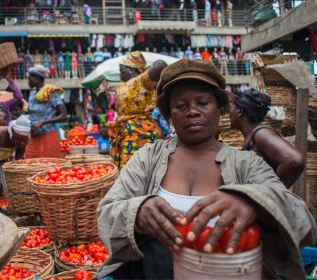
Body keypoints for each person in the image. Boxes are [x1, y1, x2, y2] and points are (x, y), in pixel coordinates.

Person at [97, 58, 316, 279]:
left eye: (202, 103)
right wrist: (137, 212)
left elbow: (302, 220)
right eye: (181, 106)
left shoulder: (246, 163)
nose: (192, 112)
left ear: (220, 108)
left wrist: (254, 202)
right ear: (169, 114)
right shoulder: (148, 158)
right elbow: (106, 213)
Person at [228, 89, 305, 187]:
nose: (228, 113)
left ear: (240, 111)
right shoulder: (253, 137)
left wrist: (272, 191)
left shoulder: (261, 134)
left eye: (231, 108)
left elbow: (294, 160)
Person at [109, 51, 167, 169]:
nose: (120, 75)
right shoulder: (128, 84)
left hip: (140, 132)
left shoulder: (141, 81)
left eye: (122, 71)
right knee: (129, 174)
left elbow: (161, 65)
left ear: (132, 69)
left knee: (137, 172)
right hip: (128, 132)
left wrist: (147, 70)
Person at [25, 66, 67, 158]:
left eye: (30, 78)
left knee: (50, 167)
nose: (28, 81)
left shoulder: (51, 92)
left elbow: (64, 115)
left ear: (37, 78)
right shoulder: (32, 93)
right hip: (34, 136)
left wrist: (43, 122)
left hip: (48, 136)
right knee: (32, 165)